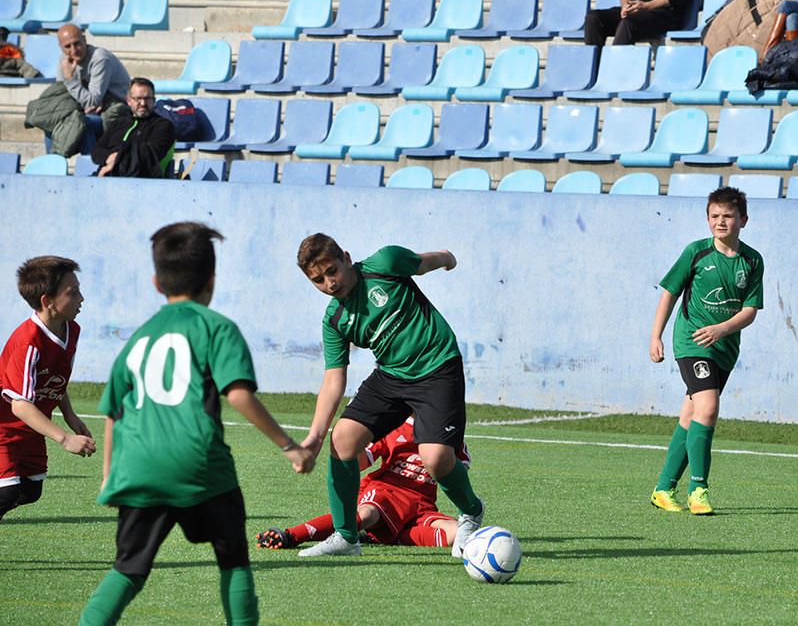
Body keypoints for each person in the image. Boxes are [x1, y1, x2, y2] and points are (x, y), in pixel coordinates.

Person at [78, 222, 315, 626]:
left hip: (138, 469)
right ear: (212, 279)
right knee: (234, 563)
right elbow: (238, 394)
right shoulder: (217, 328)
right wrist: (290, 447)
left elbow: (114, 413)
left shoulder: (138, 339)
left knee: (127, 570)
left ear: (156, 282)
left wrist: (109, 478)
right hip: (199, 464)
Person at [295, 236, 485, 559]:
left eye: (332, 271)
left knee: (436, 458)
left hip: (437, 365)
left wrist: (448, 258)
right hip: (393, 374)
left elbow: (425, 262)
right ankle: (346, 537)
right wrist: (315, 435)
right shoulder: (335, 320)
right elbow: (333, 381)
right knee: (342, 439)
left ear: (346, 257)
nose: (329, 283)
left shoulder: (385, 264)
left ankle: (471, 510)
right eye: (318, 280)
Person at [648, 187, 764, 515]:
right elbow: (669, 293)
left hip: (724, 347)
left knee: (693, 413)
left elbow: (750, 310)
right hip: (691, 342)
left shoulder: (752, 261)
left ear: (743, 219)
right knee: (709, 407)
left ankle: (662, 488)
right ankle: (698, 488)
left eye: (728, 216)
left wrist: (721, 330)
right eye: (714, 216)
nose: (721, 222)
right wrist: (655, 336)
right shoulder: (695, 252)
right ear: (707, 219)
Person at [257, 418, 466, 551]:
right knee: (366, 514)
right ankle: (292, 535)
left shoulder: (449, 432)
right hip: (385, 494)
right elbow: (359, 463)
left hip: (420, 505)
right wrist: (352, 438)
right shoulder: (394, 425)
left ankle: (381, 534)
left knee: (456, 533)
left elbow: (460, 468)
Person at [0, 256, 95, 521]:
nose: (82, 298)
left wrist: (70, 415)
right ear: (47, 301)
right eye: (73, 292)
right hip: (4, 427)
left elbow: (55, 379)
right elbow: (19, 404)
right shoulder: (27, 342)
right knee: (6, 494)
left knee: (31, 491)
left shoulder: (71, 330)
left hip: (30, 429)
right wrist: (65, 438)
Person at [24, 24, 131, 157]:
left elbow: (92, 101)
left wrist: (69, 79)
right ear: (61, 47)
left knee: (84, 124)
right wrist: (83, 101)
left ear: (84, 40)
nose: (73, 50)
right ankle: (54, 166)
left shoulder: (100, 58)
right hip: (88, 108)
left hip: (116, 111)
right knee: (52, 124)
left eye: (77, 44)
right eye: (67, 47)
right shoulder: (64, 61)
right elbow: (62, 95)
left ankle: (91, 166)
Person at [91, 77, 175, 179]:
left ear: (154, 101)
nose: (143, 104)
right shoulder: (117, 124)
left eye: (147, 99)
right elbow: (96, 151)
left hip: (142, 182)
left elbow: (149, 153)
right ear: (129, 101)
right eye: (138, 99)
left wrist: (116, 159)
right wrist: (110, 158)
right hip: (105, 177)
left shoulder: (163, 126)